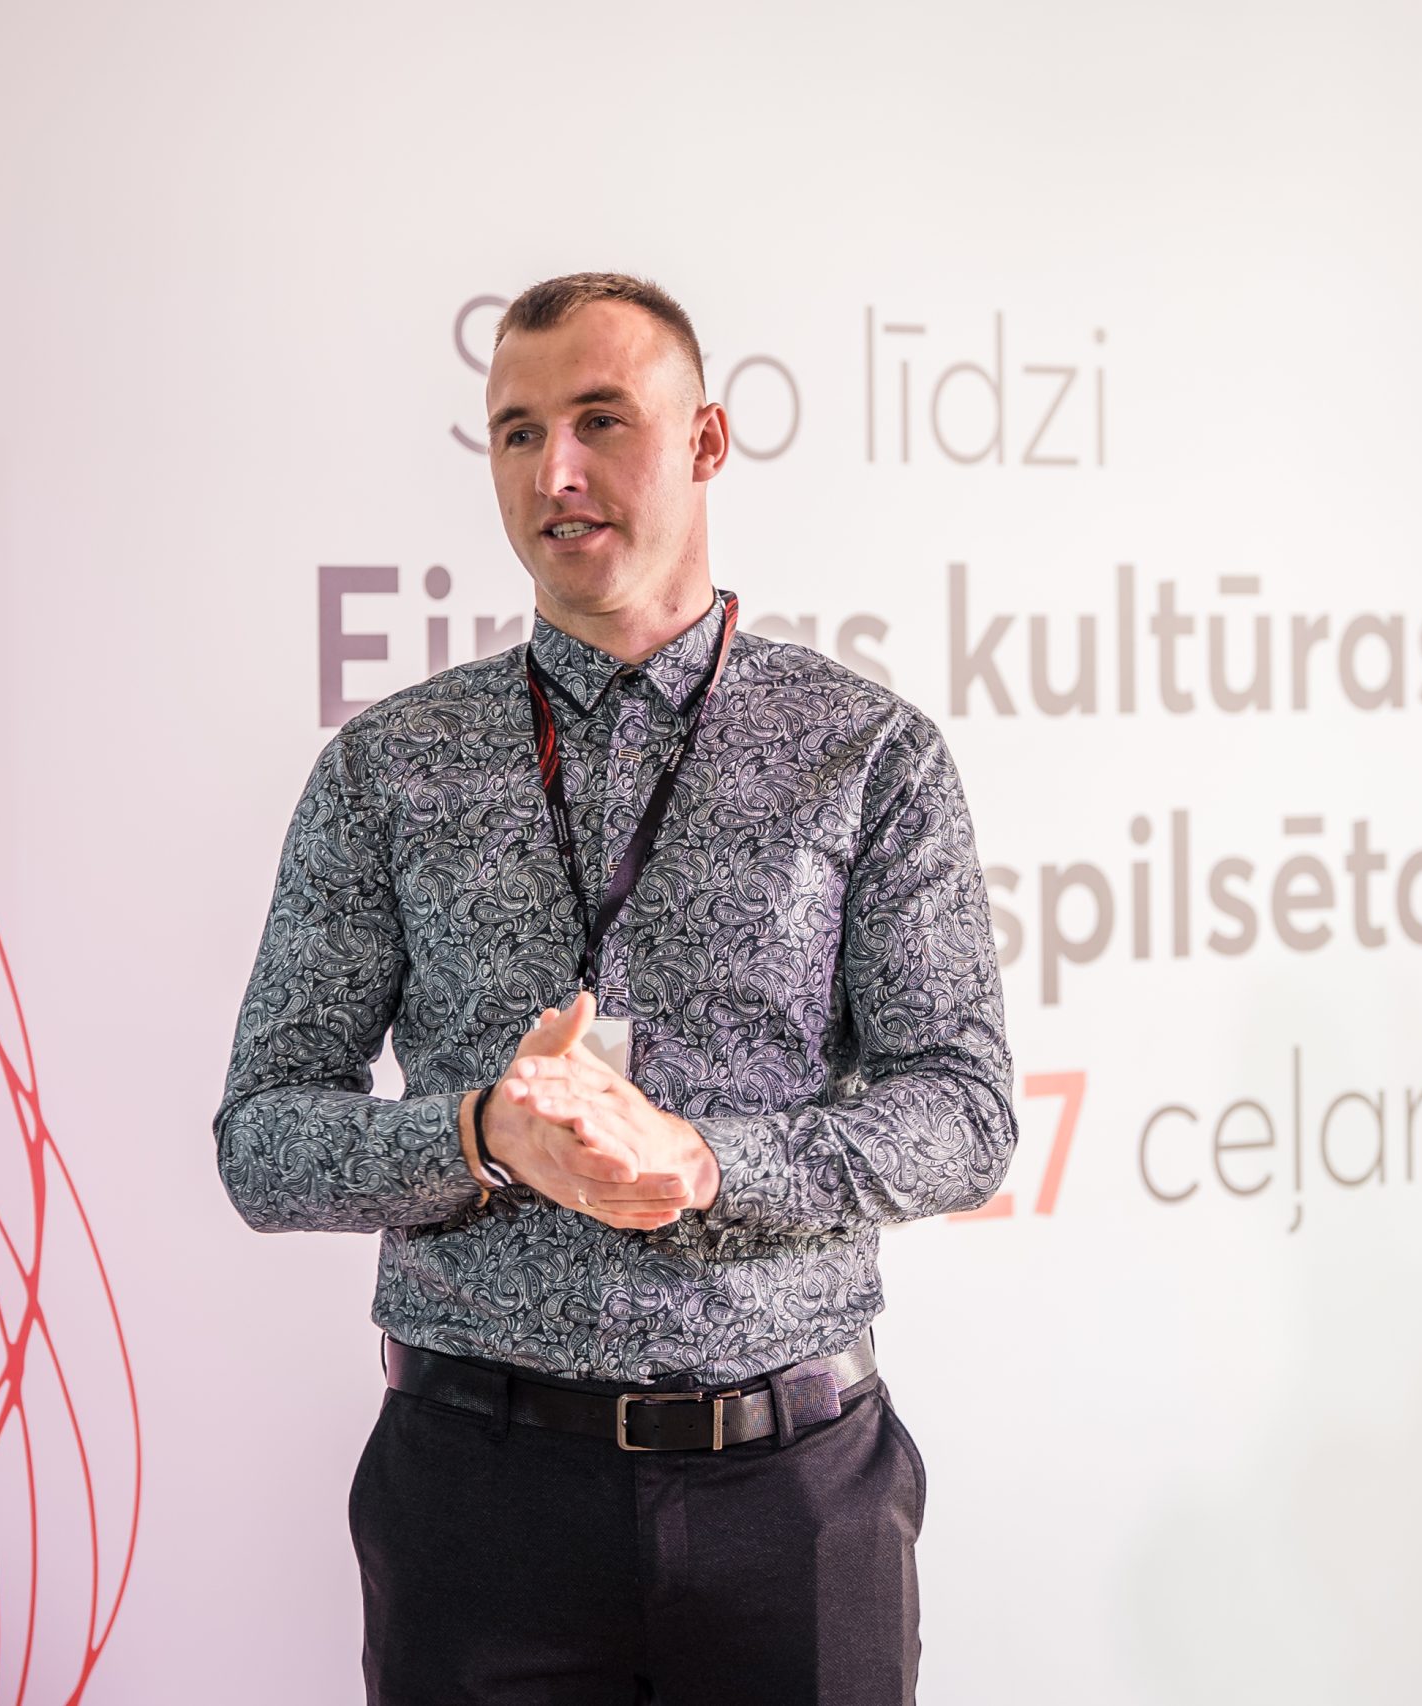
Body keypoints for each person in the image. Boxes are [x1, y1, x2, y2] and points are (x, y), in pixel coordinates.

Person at [213, 271, 1016, 1705]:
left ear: (706, 441)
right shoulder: (388, 767)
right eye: (518, 433)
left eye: (600, 420)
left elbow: (966, 1116)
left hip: (794, 1497)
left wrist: (705, 1161)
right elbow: (263, 1141)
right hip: (476, 1500)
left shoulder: (867, 752)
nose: (555, 473)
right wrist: (479, 1138)